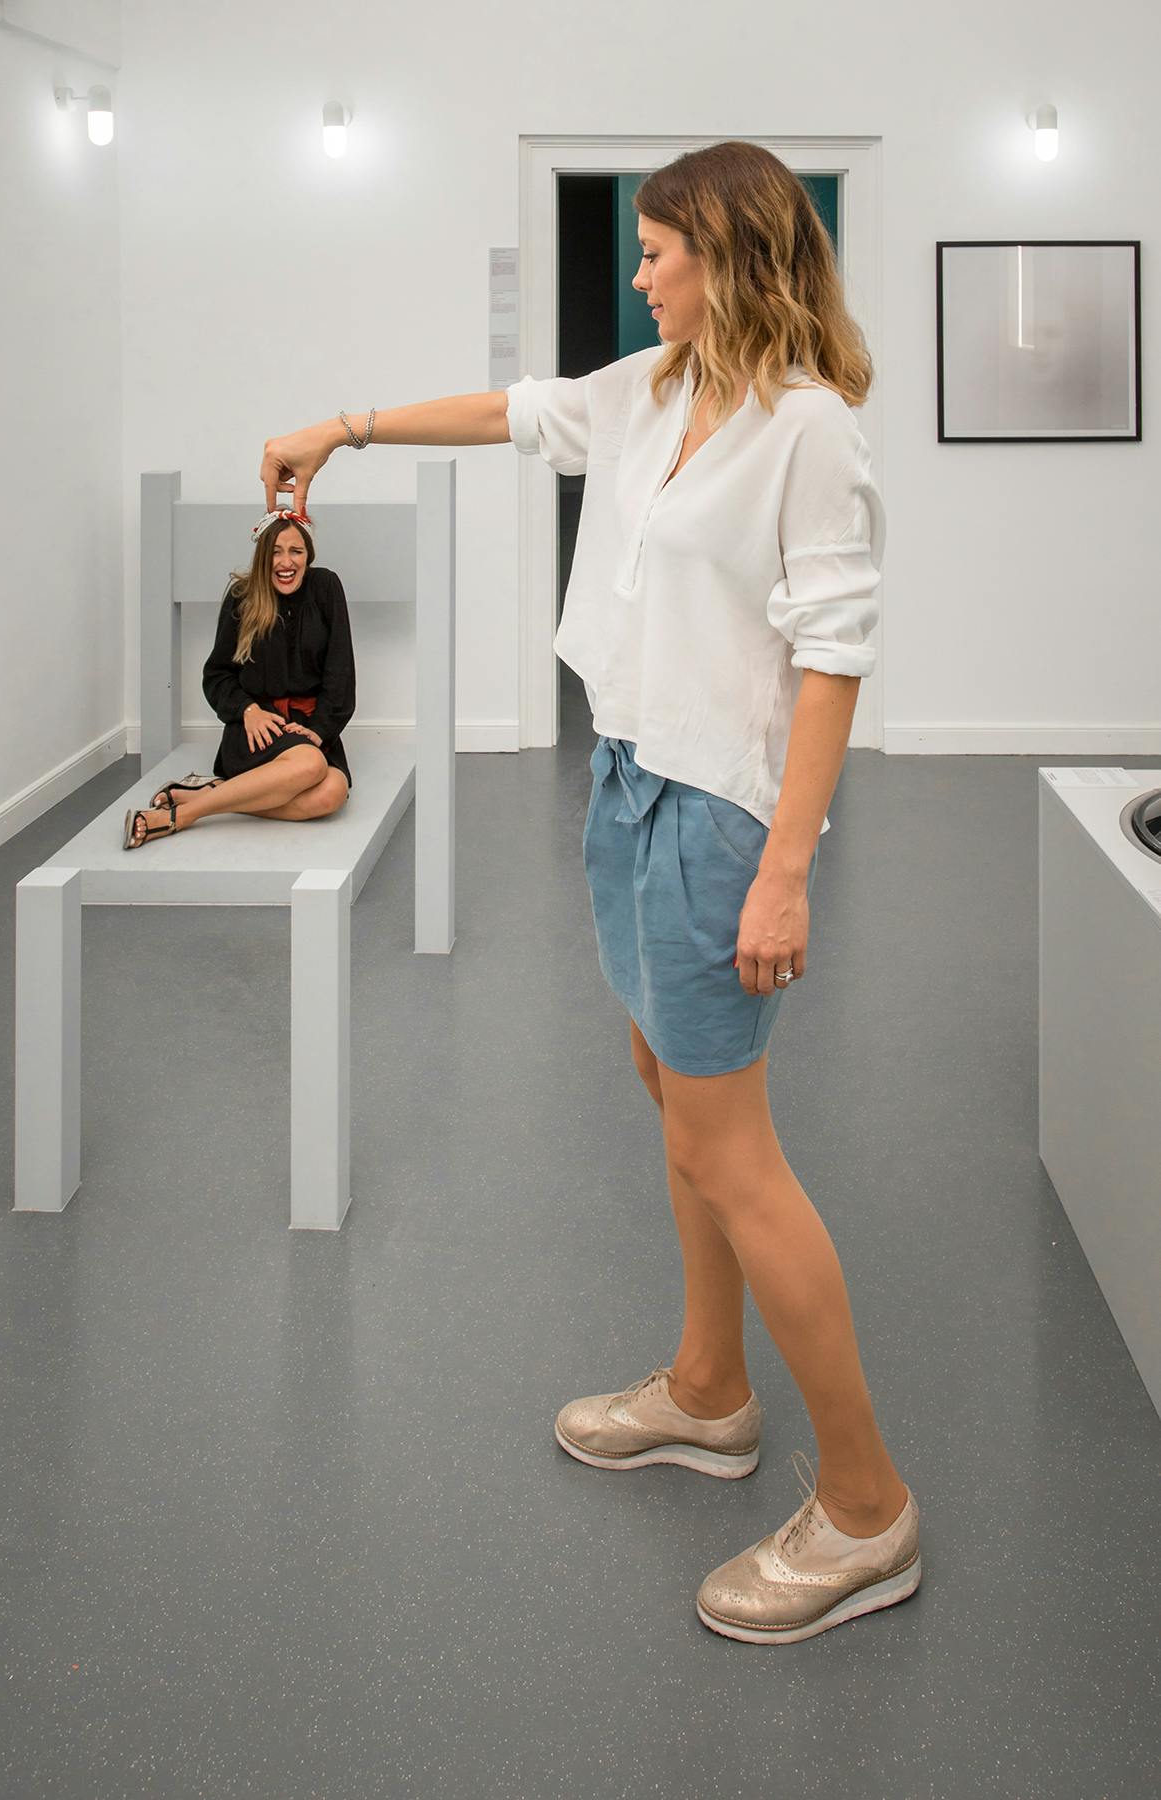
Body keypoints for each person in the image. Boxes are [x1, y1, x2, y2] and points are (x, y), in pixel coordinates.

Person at [257, 138, 920, 1646]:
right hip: (620, 784)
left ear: (730, 257)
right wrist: (344, 429)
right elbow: (506, 413)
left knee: (733, 1147)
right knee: (664, 1086)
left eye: (657, 252)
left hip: (713, 814)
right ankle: (708, 1390)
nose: (637, 274)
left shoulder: (808, 428)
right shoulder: (652, 389)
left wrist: (784, 873)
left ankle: (869, 1509)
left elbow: (832, 656)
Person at [124, 512, 355, 849]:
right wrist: (248, 710)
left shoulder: (326, 587)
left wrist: (320, 729)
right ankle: (182, 817)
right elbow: (216, 675)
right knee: (309, 764)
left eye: (296, 551)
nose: (286, 562)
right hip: (255, 728)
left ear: (308, 557)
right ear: (263, 556)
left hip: (306, 723)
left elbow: (341, 670)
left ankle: (212, 794)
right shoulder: (242, 596)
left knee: (332, 794)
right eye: (276, 551)